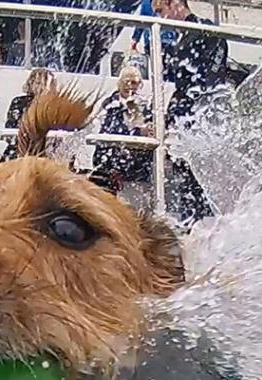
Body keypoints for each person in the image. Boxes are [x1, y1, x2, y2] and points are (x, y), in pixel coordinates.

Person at [152, 0, 226, 222]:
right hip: (185, 118)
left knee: (198, 185)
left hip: (199, 120)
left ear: (174, 3)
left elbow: (210, 83)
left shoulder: (205, 32)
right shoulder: (183, 38)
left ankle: (200, 226)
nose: (160, 18)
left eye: (160, 11)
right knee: (185, 183)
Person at [92, 66, 154, 188]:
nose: (130, 85)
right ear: (119, 83)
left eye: (134, 82)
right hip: (110, 166)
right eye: (126, 81)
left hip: (138, 171)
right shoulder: (109, 105)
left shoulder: (145, 107)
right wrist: (138, 132)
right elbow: (109, 132)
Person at [0, 68, 56, 162]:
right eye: (38, 83)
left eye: (46, 84)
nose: (42, 87)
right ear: (31, 84)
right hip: (18, 152)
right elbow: (10, 130)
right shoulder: (19, 102)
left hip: (44, 154)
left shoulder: (54, 105)